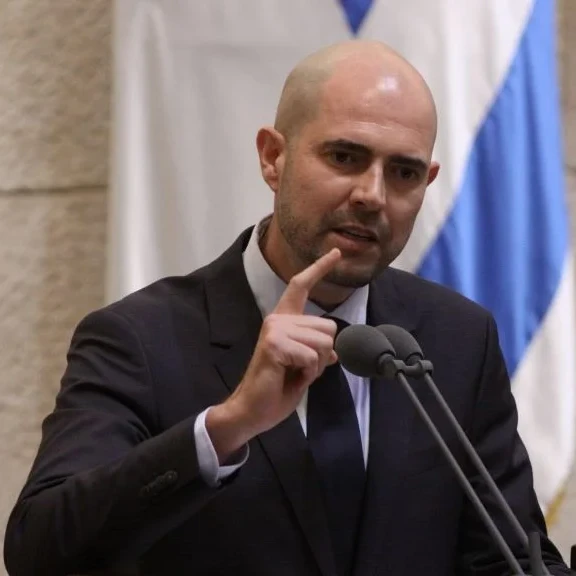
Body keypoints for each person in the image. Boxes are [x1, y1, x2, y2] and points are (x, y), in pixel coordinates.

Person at [4, 40, 572, 576]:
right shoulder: (140, 338)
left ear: (428, 182)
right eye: (344, 156)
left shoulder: (458, 339)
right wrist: (228, 426)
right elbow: (40, 550)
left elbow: (509, 557)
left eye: (403, 172)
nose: (372, 195)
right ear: (273, 157)